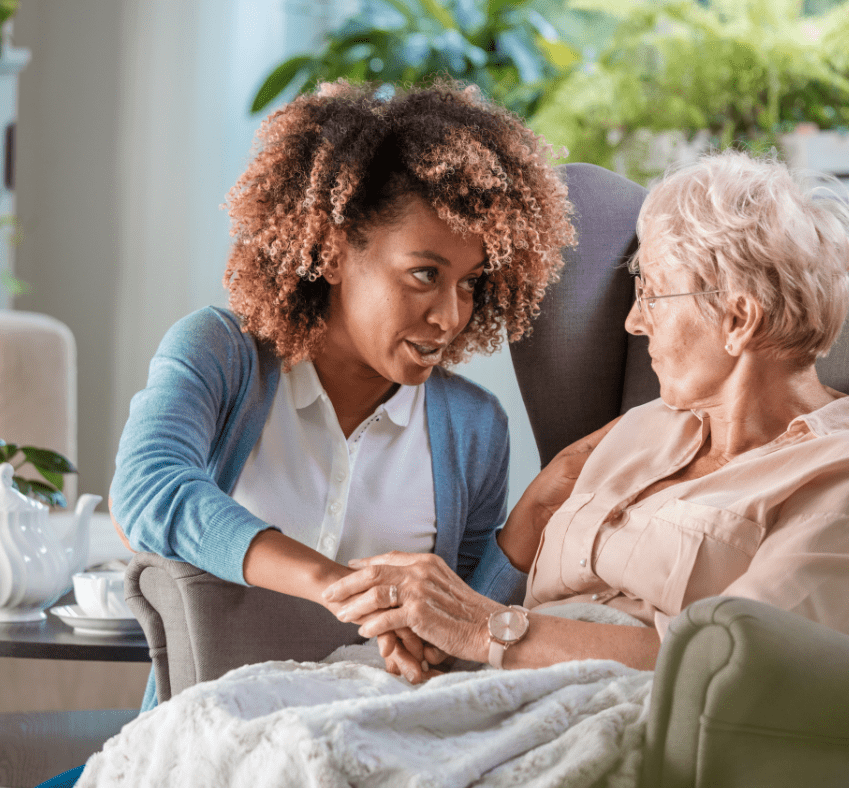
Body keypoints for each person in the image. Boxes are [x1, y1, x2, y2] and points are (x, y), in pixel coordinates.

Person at [323, 148, 849, 677]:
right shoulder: (643, 426)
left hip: (621, 718)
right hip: (498, 680)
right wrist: (442, 639)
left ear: (737, 320)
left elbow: (738, 666)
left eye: (652, 293)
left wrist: (483, 631)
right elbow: (508, 617)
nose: (635, 322)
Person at [107, 79, 576, 710]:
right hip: (203, 740)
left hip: (378, 745)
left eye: (470, 283)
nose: (449, 316)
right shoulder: (219, 355)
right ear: (331, 251)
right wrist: (339, 586)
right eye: (424, 275)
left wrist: (536, 509)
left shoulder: (474, 426)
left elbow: (460, 638)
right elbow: (148, 490)